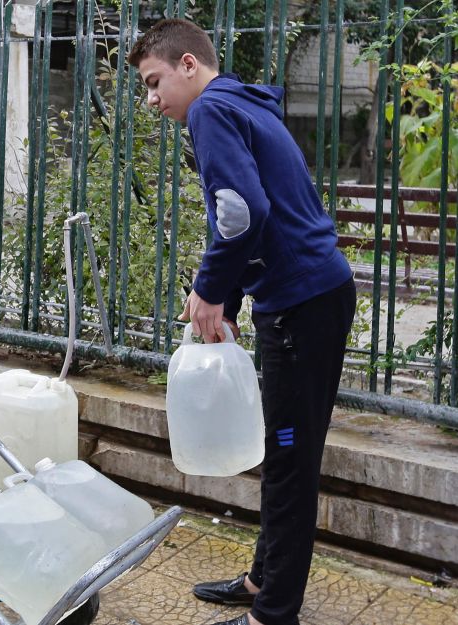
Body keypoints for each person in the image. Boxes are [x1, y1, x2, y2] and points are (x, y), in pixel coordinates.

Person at [128, 19, 356, 625]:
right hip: (305, 300)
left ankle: (273, 613)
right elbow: (247, 214)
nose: (151, 100)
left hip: (302, 306)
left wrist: (207, 291)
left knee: (288, 456)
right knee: (285, 449)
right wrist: (225, 304)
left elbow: (243, 212)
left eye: (154, 83)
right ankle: (263, 580)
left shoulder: (209, 112)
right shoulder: (235, 104)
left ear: (188, 66)